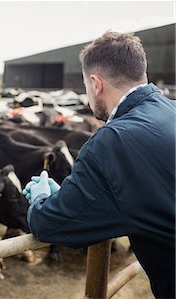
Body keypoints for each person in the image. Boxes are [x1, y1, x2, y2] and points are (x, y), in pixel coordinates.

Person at [23, 31, 175, 298]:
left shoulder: (111, 142)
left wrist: (42, 199)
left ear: (95, 84)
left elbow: (50, 224)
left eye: (85, 86)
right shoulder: (171, 110)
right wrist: (70, 195)